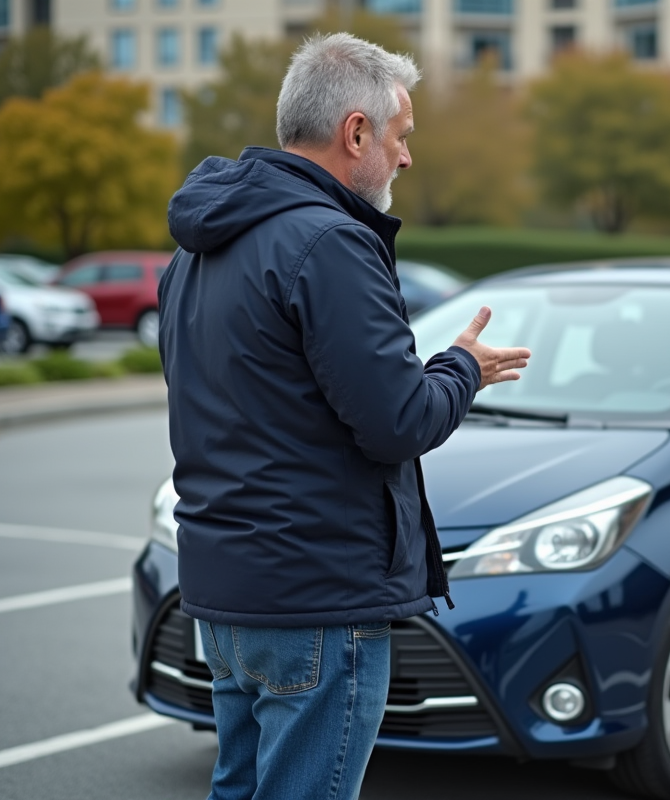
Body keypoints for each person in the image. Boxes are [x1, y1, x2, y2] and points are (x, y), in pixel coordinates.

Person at [158, 32, 531, 800]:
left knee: (241, 789)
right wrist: (462, 367)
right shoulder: (330, 241)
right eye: (400, 137)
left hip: (226, 593)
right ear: (355, 131)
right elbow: (398, 422)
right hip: (315, 601)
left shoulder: (197, 251)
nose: (405, 158)